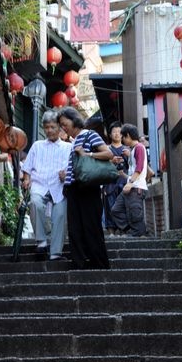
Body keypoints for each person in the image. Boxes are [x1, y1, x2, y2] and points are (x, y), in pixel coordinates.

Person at [57, 106, 113, 270]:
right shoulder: (74, 141)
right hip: (73, 189)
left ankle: (99, 263)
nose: (63, 127)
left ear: (74, 119)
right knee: (75, 228)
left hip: (87, 188)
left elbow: (108, 154)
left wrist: (87, 154)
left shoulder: (89, 135)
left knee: (91, 226)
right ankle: (79, 262)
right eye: (61, 124)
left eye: (64, 123)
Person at [21, 110, 71, 260]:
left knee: (60, 214)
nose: (49, 130)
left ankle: (55, 253)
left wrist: (66, 175)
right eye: (46, 127)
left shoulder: (68, 148)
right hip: (40, 184)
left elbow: (74, 170)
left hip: (59, 186)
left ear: (59, 128)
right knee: (35, 203)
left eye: (53, 127)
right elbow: (27, 168)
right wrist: (26, 179)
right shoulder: (37, 146)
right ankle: (41, 242)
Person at [111, 123, 148, 236]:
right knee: (116, 210)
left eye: (123, 137)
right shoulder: (133, 150)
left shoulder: (139, 147)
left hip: (136, 187)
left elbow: (139, 168)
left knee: (135, 213)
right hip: (131, 185)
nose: (122, 139)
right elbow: (134, 171)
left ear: (128, 135)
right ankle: (132, 230)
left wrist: (130, 183)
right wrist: (123, 175)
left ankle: (139, 235)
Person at [102, 122, 129, 234]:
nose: (117, 134)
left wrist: (129, 156)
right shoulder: (106, 149)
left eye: (119, 132)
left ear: (122, 134)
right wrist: (111, 161)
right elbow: (100, 166)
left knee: (124, 207)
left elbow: (134, 166)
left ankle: (123, 231)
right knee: (109, 207)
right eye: (114, 132)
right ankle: (111, 232)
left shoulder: (127, 149)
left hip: (124, 182)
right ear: (110, 134)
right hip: (110, 183)